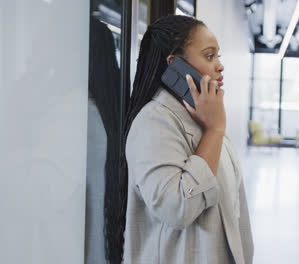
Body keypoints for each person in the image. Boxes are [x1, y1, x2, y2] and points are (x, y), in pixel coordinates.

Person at [103, 15, 254, 264]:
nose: (220, 66)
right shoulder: (154, 122)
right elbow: (177, 208)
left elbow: (235, 215)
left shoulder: (204, 119)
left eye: (219, 56)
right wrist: (215, 131)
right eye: (209, 56)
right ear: (175, 65)